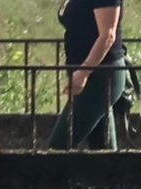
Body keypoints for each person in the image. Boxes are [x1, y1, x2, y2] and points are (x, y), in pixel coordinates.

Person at [48, 0, 127, 151]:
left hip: (101, 76)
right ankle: (113, 175)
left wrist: (83, 72)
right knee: (102, 148)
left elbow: (108, 36)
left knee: (58, 146)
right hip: (88, 74)